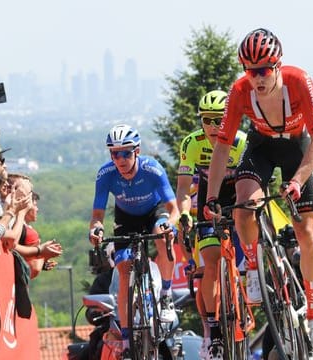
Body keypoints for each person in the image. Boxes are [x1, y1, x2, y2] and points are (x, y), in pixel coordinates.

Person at [204, 28, 313, 350]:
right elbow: (222, 147)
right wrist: (211, 197)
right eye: (250, 70)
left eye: (263, 70)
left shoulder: (300, 81)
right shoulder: (240, 90)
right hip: (261, 146)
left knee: (306, 229)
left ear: (277, 66)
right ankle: (253, 267)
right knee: (243, 208)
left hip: (296, 148)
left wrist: (298, 180)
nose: (257, 78)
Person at [88, 124, 180, 358]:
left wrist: (171, 226)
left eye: (126, 153)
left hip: (154, 212)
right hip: (126, 218)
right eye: (115, 153)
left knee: (162, 235)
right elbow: (97, 217)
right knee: (124, 273)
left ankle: (166, 295)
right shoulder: (106, 174)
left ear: (137, 151)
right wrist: (96, 230)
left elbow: (173, 208)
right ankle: (128, 342)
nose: (120, 159)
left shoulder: (152, 169)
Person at [176, 89, 247, 359]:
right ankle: (214, 331)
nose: (214, 127)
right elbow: (183, 190)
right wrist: (185, 214)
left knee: (243, 258)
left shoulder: (241, 141)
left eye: (220, 119)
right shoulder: (191, 143)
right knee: (211, 264)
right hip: (208, 201)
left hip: (236, 197)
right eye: (208, 120)